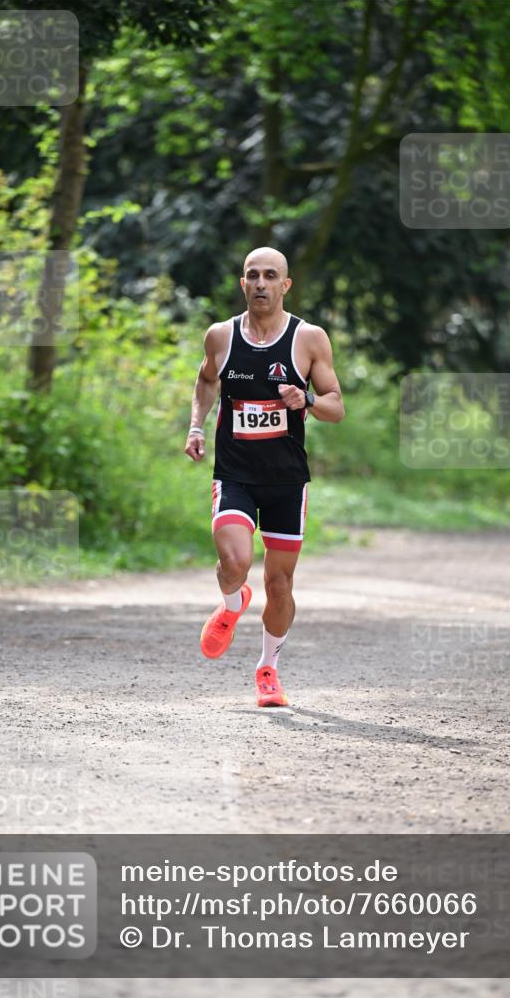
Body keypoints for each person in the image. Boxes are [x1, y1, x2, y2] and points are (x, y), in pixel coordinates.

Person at [184, 246, 345, 707]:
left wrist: (308, 402)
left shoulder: (309, 339)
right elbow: (207, 379)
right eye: (252, 275)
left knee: (280, 586)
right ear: (242, 284)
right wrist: (197, 425)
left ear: (285, 285)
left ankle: (268, 667)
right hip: (234, 471)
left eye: (269, 276)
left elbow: (336, 405)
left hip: (287, 480)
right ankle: (233, 604)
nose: (260, 283)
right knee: (234, 561)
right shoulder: (220, 336)